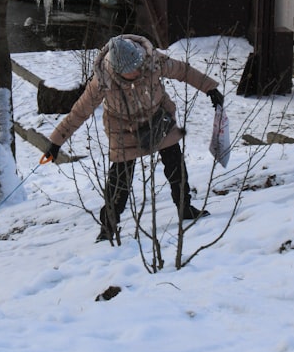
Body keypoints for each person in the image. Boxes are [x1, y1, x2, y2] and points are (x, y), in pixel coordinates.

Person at [43, 34, 223, 242]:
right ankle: (108, 227)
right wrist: (56, 142)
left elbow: (183, 70)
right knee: (120, 180)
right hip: (122, 129)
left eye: (138, 66)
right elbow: (79, 112)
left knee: (175, 164)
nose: (138, 71)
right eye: (131, 70)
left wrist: (210, 88)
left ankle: (185, 208)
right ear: (118, 70)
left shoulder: (153, 61)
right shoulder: (103, 80)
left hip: (158, 119)